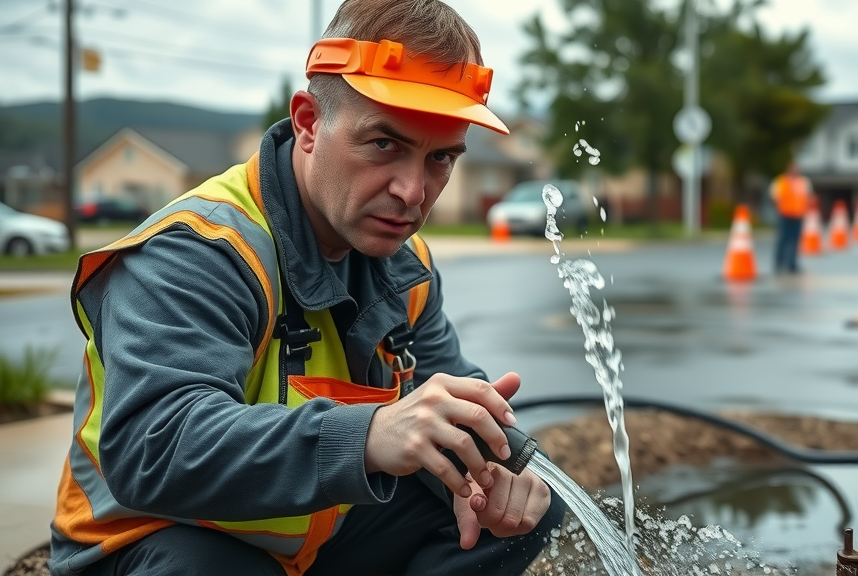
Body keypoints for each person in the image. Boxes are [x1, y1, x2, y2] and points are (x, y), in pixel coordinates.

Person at [48, 1, 566, 575]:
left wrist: (495, 469)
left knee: (527, 505)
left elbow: (440, 399)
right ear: (308, 123)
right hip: (151, 537)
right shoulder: (201, 249)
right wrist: (368, 434)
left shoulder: (405, 262)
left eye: (440, 157)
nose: (413, 192)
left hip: (312, 535)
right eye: (384, 144)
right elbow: (155, 447)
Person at [769, 161, 813, 274]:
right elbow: (774, 196)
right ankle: (779, 263)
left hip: (798, 215)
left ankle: (792, 264)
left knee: (795, 240)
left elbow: (808, 197)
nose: (795, 171)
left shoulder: (803, 182)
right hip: (785, 214)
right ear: (788, 169)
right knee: (783, 239)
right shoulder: (781, 181)